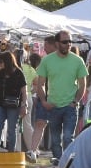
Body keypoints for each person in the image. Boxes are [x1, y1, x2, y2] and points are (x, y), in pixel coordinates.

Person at [35, 30, 87, 161]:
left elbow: (83, 84)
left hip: (70, 106)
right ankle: (59, 165)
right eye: (65, 42)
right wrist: (44, 101)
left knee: (68, 136)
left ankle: (69, 164)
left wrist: (75, 101)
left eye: (70, 41)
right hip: (53, 106)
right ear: (57, 43)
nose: (68, 44)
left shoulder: (77, 60)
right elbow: (40, 84)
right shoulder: (47, 60)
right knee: (55, 139)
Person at [0, 49, 27, 152]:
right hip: (1, 104)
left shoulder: (19, 73)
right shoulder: (1, 73)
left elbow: (24, 91)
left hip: (14, 106)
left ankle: (11, 152)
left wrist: (24, 106)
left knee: (11, 130)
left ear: (7, 61)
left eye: (1, 62)